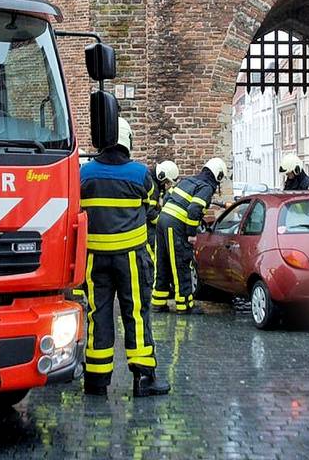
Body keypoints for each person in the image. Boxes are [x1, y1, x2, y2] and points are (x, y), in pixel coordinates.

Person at [79, 118, 170, 398]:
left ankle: (96, 380)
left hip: (94, 260)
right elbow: (154, 210)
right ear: (127, 140)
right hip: (131, 259)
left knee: (98, 316)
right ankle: (143, 379)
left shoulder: (83, 174)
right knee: (136, 316)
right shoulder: (141, 174)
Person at [153, 158, 226, 314]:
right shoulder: (206, 187)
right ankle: (184, 305)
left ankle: (158, 302)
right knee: (181, 263)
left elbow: (167, 197)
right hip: (176, 225)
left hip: (162, 221)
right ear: (218, 175)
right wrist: (191, 233)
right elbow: (194, 209)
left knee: (163, 262)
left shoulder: (189, 181)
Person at [146, 160, 180, 265]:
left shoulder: (153, 182)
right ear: (161, 176)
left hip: (147, 226)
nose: (168, 185)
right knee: (154, 259)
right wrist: (164, 221)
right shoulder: (153, 187)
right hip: (148, 228)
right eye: (167, 182)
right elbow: (150, 213)